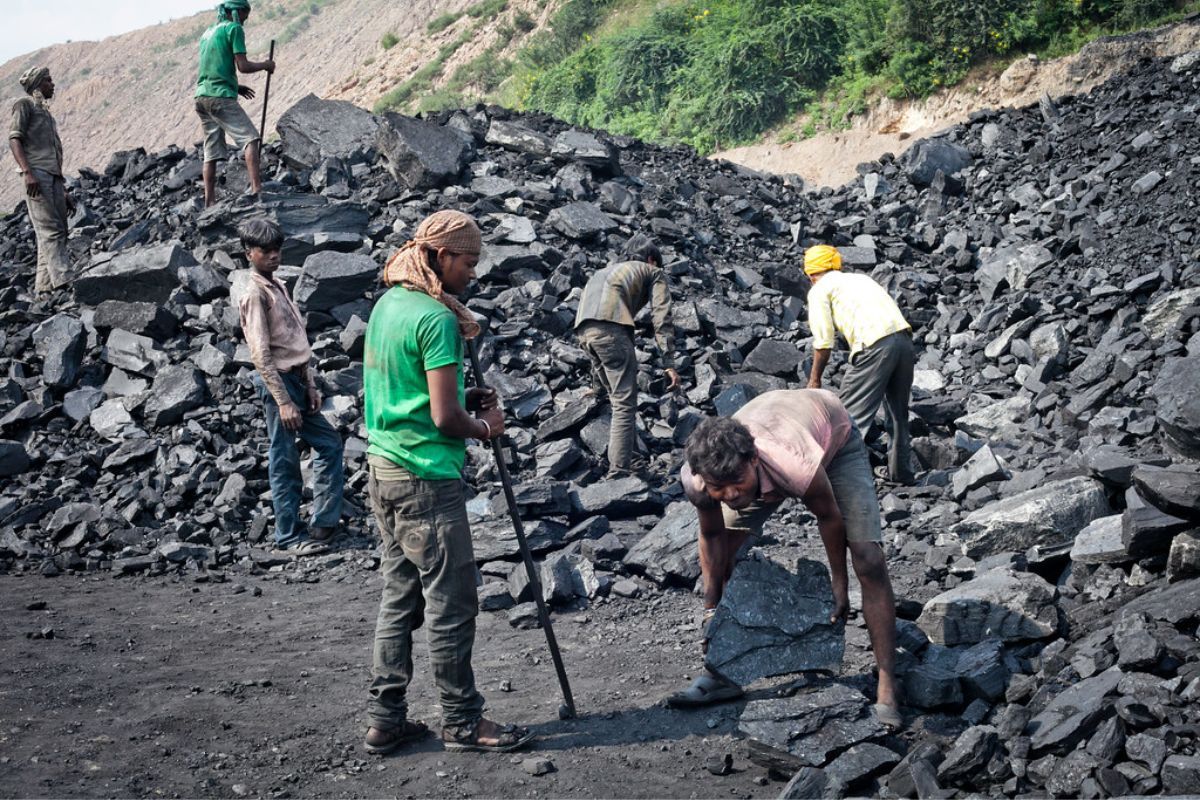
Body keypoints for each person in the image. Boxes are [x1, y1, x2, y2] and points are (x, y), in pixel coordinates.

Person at [362, 210, 533, 755]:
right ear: (439, 256)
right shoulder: (435, 320)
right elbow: (442, 420)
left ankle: (385, 719)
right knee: (451, 603)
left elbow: (415, 394)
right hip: (426, 480)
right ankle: (462, 722)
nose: (473, 273)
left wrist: (461, 401)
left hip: (384, 470)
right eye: (467, 261)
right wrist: (484, 426)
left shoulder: (388, 306)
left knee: (400, 597)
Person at [668, 389, 902, 730]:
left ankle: (887, 684)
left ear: (753, 461)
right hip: (776, 421)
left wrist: (840, 584)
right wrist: (711, 609)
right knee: (728, 555)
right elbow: (713, 537)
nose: (730, 495)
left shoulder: (793, 464)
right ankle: (722, 673)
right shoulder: (699, 479)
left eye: (736, 482)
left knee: (867, 558)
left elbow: (829, 517)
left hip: (833, 436)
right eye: (720, 487)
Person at [237, 217, 343, 555]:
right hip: (278, 384)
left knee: (329, 443)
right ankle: (288, 535)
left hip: (296, 379)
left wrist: (309, 384)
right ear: (248, 252)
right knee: (283, 459)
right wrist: (283, 401)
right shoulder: (254, 293)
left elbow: (296, 341)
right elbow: (260, 353)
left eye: (277, 249)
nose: (273, 255)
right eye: (264, 251)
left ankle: (323, 523)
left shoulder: (277, 284)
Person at [804, 245, 915, 484]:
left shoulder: (820, 289)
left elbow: (823, 341)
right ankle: (901, 474)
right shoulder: (860, 280)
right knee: (898, 414)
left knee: (847, 417)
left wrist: (814, 379)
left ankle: (831, 479)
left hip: (874, 346)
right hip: (904, 341)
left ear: (811, 274)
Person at [574, 239, 679, 478]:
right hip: (612, 332)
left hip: (583, 333)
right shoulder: (652, 271)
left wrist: (597, 386)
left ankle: (634, 463)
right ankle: (619, 473)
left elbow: (595, 326)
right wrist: (669, 363)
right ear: (651, 259)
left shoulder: (603, 272)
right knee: (624, 402)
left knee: (616, 397)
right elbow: (661, 316)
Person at [194, 0, 275, 207]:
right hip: (220, 97)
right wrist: (266, 65)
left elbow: (214, 68)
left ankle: (209, 202)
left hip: (202, 97)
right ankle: (257, 190)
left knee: (210, 152)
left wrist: (236, 88)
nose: (244, 21)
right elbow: (243, 66)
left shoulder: (208, 33)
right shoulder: (234, 28)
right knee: (251, 138)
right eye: (245, 16)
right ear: (238, 12)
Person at [8, 66, 73, 294]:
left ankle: (45, 288)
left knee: (57, 231)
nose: (52, 84)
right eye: (48, 80)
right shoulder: (23, 106)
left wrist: (63, 188)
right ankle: (65, 281)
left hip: (53, 177)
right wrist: (27, 172)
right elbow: (14, 139)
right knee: (50, 230)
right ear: (37, 85)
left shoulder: (45, 113)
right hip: (37, 175)